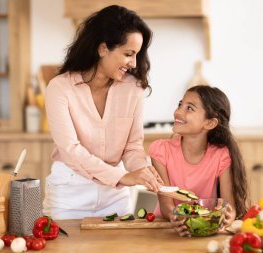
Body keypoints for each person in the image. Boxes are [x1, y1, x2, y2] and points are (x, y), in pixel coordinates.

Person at [43, 5, 163, 220]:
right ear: (102, 49)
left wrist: (143, 172)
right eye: (128, 54)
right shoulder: (59, 88)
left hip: (114, 196)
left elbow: (132, 147)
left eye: (137, 55)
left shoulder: (133, 88)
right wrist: (124, 176)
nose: (134, 63)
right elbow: (71, 149)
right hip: (69, 193)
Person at [149, 85, 248, 236]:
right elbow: (166, 205)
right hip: (168, 230)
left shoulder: (221, 155)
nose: (178, 112)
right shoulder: (161, 151)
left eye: (190, 108)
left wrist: (227, 216)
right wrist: (175, 218)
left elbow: (230, 206)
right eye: (180, 105)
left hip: (207, 230)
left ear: (210, 123)